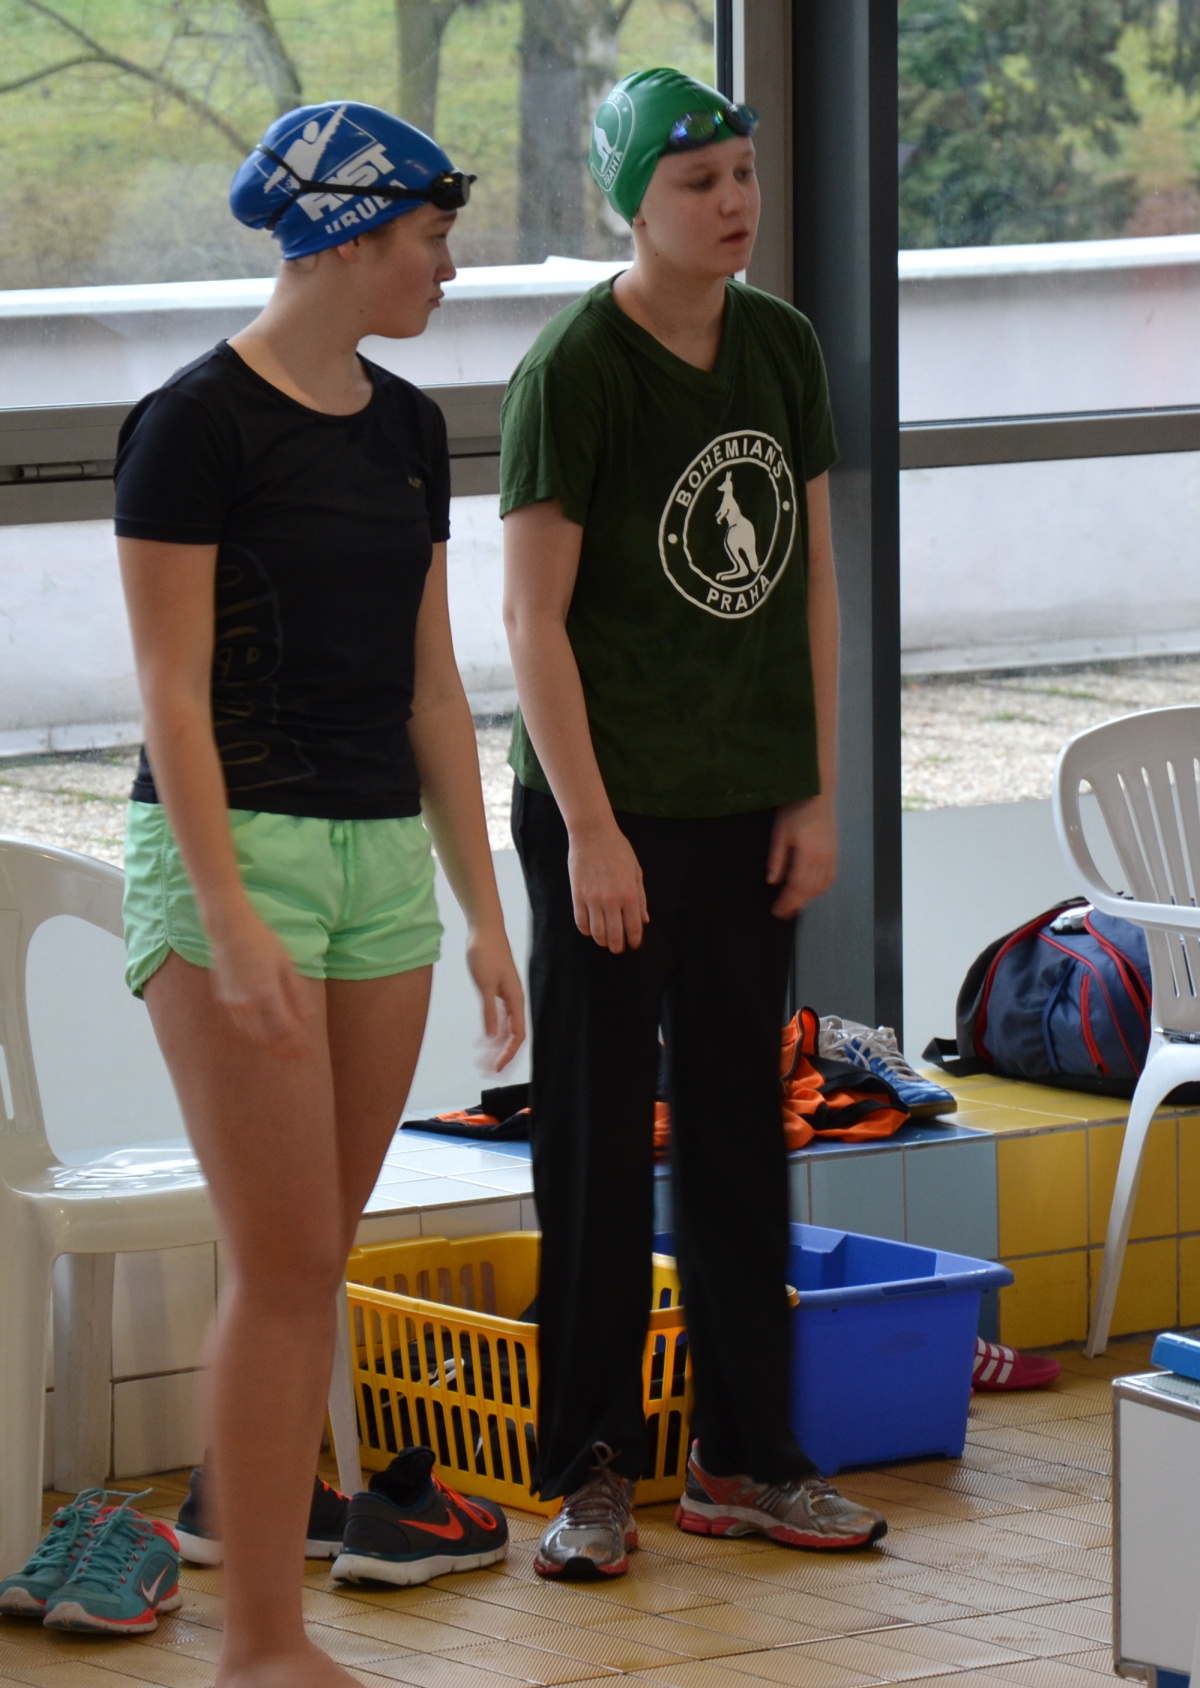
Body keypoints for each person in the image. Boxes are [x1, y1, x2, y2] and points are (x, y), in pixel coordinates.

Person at [113, 101, 523, 1688]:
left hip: (376, 864)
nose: (446, 267)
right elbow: (169, 694)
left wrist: (485, 914)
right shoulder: (192, 426)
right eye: (431, 237)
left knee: (309, 1260)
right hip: (236, 852)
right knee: (284, 1265)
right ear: (349, 238)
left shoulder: (409, 428)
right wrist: (224, 916)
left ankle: (266, 1631)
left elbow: (432, 690)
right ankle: (262, 1649)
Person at [501, 67, 888, 1579]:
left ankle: (747, 1460)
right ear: (633, 205)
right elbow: (531, 622)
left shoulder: (779, 345)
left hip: (743, 805)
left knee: (739, 1136)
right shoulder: (575, 369)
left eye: (743, 174)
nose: (735, 204)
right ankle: (590, 1471)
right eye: (698, 183)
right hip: (605, 812)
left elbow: (812, 579)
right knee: (598, 1147)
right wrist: (593, 833)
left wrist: (814, 786)